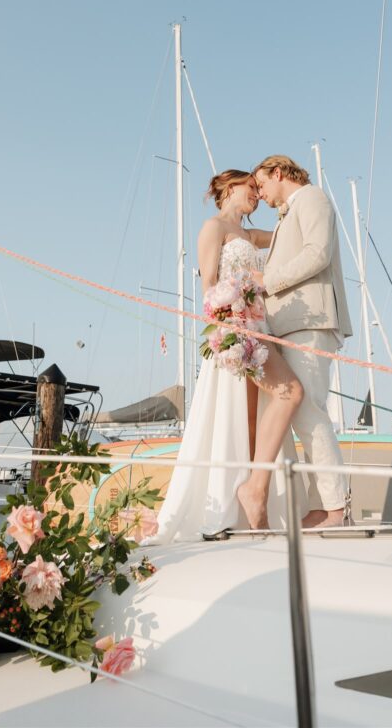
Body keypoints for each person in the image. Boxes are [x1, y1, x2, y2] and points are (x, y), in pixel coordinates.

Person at [151, 170, 307, 542]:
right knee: (270, 401)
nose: (256, 194)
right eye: (251, 188)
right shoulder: (213, 229)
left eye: (258, 188)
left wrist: (289, 201)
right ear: (230, 188)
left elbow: (289, 236)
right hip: (235, 334)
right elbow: (208, 290)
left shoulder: (249, 236)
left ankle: (253, 503)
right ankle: (246, 501)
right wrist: (228, 329)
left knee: (254, 418)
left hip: (260, 329)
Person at [252, 154, 353, 529]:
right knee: (303, 416)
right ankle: (322, 505)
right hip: (290, 325)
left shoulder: (312, 199)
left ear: (279, 173)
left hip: (310, 321)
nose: (260, 194)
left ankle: (336, 509)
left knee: (310, 411)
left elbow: (318, 253)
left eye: (261, 184)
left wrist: (266, 280)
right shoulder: (287, 213)